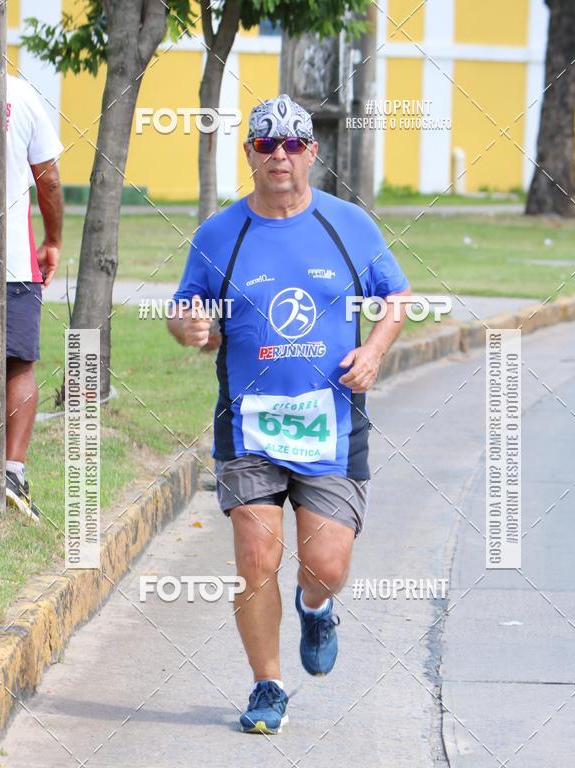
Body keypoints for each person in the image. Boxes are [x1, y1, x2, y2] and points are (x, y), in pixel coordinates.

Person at [168, 94, 410, 734]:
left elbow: (397, 298)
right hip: (248, 426)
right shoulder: (221, 232)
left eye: (293, 144)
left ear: (313, 152)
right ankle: (267, 687)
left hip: (330, 423)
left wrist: (375, 349)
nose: (281, 155)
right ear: (249, 153)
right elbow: (184, 307)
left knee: (325, 565)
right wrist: (188, 326)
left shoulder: (348, 225)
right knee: (255, 559)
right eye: (267, 144)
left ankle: (314, 605)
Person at [5, 73, 64, 522]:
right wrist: (53, 239)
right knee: (18, 363)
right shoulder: (21, 94)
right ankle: (12, 472)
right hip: (11, 259)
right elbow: (49, 181)